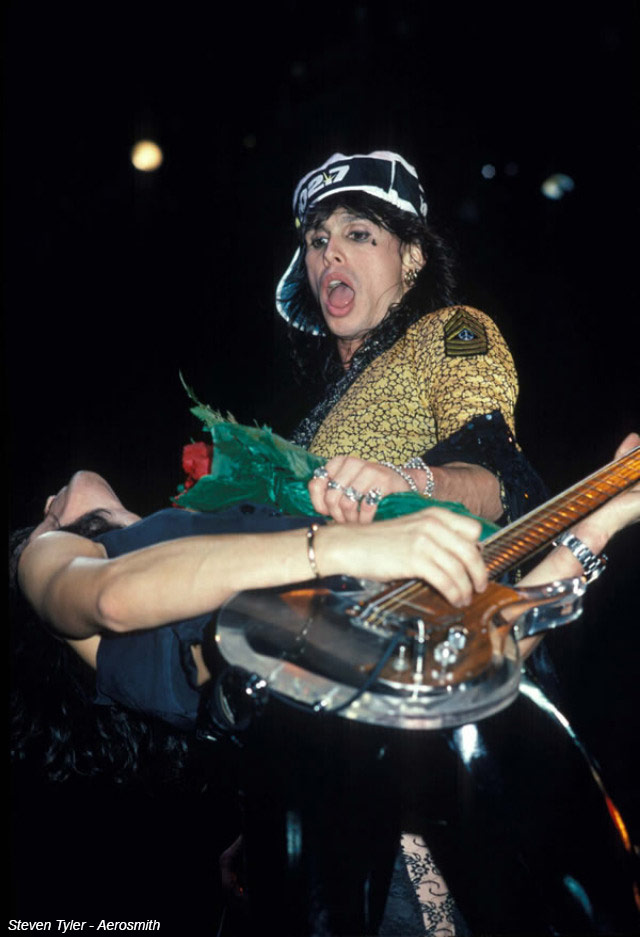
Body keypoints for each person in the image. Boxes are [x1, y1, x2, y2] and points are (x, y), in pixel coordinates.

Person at [11, 436, 640, 935]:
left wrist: (606, 519)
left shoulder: (205, 546)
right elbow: (112, 596)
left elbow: (470, 655)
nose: (48, 504)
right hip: (371, 857)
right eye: (40, 516)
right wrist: (346, 546)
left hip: (416, 828)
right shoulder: (45, 559)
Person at [274, 150, 547, 527]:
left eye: (357, 234)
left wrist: (408, 484)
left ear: (412, 257)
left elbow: (500, 483)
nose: (329, 253)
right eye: (317, 241)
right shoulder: (319, 408)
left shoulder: (449, 328)